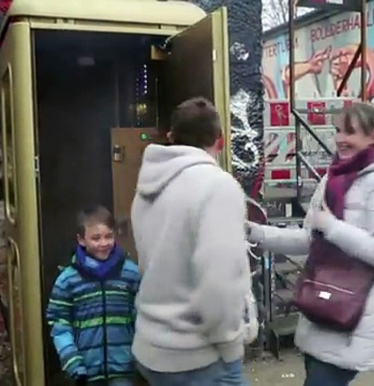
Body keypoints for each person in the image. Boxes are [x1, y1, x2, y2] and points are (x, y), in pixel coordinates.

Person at [247, 102, 374, 386]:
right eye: (337, 130)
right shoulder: (333, 178)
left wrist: (332, 227)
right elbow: (310, 239)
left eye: (351, 132)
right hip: (321, 307)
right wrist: (256, 232)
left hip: (354, 316)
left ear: (372, 136)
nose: (340, 139)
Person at [130, 97, 251, 385]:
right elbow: (219, 282)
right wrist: (231, 343)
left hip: (150, 347)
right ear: (220, 141)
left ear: (171, 137)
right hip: (198, 357)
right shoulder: (218, 187)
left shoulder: (147, 183)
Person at [46, 206, 140, 386]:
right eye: (96, 238)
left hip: (124, 370)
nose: (104, 243)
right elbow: (60, 325)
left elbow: (140, 317)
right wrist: (73, 363)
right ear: (81, 240)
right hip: (85, 372)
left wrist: (139, 358)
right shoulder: (67, 280)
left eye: (109, 236)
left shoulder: (130, 273)